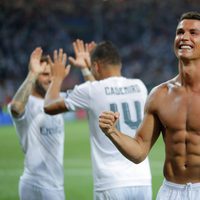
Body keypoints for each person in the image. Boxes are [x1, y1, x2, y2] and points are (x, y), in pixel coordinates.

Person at [98, 11, 200, 200]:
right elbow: (139, 151)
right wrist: (111, 131)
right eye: (180, 32)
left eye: (193, 33)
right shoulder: (159, 95)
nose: (184, 37)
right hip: (170, 192)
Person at [44, 41, 152, 200]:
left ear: (96, 66)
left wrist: (57, 78)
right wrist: (85, 68)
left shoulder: (90, 91)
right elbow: (101, 93)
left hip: (110, 183)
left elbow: (49, 106)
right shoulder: (140, 86)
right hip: (142, 180)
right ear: (119, 63)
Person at [8, 47, 69, 200]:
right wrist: (32, 73)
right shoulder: (26, 103)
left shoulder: (58, 99)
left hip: (53, 185)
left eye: (52, 74)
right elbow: (15, 108)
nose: (49, 79)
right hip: (35, 183)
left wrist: (86, 70)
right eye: (44, 74)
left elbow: (92, 97)